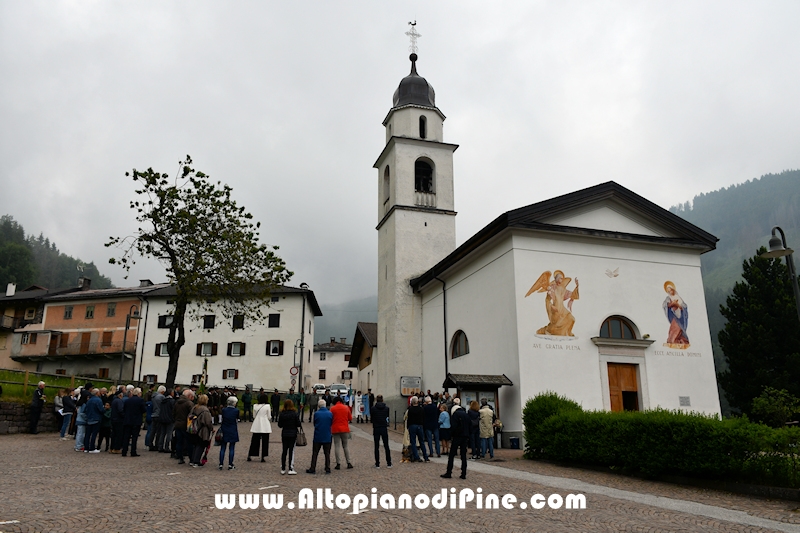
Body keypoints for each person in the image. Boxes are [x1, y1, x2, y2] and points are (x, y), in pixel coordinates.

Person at [526, 270, 580, 336]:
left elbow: (572, 295)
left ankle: (566, 332)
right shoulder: (551, 288)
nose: (562, 280)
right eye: (561, 278)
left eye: (562, 278)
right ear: (557, 278)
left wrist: (577, 286)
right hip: (555, 309)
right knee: (557, 324)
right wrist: (551, 307)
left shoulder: (562, 289)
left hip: (562, 309)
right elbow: (547, 300)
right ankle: (548, 330)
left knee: (572, 319)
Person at [441, 398, 469, 479]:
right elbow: (469, 426)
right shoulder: (466, 414)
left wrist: (451, 435)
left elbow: (453, 426)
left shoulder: (455, 415)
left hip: (457, 437)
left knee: (452, 455)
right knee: (463, 456)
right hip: (465, 437)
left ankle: (449, 472)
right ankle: (463, 473)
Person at [306, 399, 333, 475]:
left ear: (319, 406)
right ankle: (327, 468)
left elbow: (315, 423)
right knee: (327, 453)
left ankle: (313, 468)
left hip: (318, 435)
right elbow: (331, 423)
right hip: (327, 435)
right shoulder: (330, 413)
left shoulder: (316, 414)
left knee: (315, 453)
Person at [188, 394, 214, 466]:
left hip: (194, 428)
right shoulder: (205, 410)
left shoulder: (194, 408)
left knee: (195, 445)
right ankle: (196, 460)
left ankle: (192, 459)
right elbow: (208, 421)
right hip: (202, 430)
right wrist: (211, 428)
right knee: (200, 445)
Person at [278, 399, 301, 475]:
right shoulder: (294, 414)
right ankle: (290, 467)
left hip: (285, 433)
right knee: (291, 450)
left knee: (284, 450)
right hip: (293, 433)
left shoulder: (282, 414)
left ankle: (283, 468)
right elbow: (298, 424)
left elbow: (280, 425)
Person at [663, 281, 690, 347]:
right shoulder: (668, 298)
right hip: (674, 316)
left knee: (679, 330)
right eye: (668, 291)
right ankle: (672, 341)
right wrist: (671, 304)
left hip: (680, 317)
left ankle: (679, 341)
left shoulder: (679, 298)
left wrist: (678, 305)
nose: (670, 292)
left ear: (673, 290)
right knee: (673, 329)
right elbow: (665, 305)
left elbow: (684, 307)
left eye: (671, 290)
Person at [121, 388, 147, 457]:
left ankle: (124, 451)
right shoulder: (140, 400)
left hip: (128, 420)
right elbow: (143, 410)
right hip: (136, 421)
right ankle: (133, 451)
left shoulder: (127, 401)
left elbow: (124, 409)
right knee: (134, 437)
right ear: (139, 393)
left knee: (126, 437)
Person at [247, 393, 272, 462]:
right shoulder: (267, 406)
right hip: (265, 425)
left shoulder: (255, 406)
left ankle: (250, 454)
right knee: (265, 441)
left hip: (257, 424)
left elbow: (254, 416)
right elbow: (269, 416)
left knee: (254, 441)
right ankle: (263, 456)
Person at [330, 396, 353, 470]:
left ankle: (338, 463)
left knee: (337, 446)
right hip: (345, 428)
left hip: (335, 429)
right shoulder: (346, 407)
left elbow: (330, 418)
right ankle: (348, 462)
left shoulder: (332, 408)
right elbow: (350, 418)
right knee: (345, 446)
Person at [173, 389, 195, 464]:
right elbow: (192, 414)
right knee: (189, 442)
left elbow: (174, 413)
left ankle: (180, 457)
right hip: (186, 425)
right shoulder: (189, 403)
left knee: (179, 441)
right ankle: (191, 458)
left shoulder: (177, 402)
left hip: (178, 424)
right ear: (189, 396)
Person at [218, 396, 240, 470]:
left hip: (224, 428)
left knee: (223, 447)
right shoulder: (236, 411)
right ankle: (230, 464)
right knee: (232, 448)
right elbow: (237, 419)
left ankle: (221, 463)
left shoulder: (224, 410)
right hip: (232, 429)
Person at [371, 394, 392, 468]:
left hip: (376, 427)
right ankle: (389, 463)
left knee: (376, 446)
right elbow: (387, 417)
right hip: (383, 427)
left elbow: (372, 418)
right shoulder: (386, 408)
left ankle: (377, 464)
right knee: (386, 445)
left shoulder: (373, 408)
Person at [406, 396, 428, 462]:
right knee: (422, 442)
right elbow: (424, 418)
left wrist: (408, 427)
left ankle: (416, 456)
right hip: (420, 426)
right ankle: (425, 457)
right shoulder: (421, 409)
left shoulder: (410, 409)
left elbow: (408, 419)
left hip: (412, 426)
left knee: (413, 442)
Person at [84, 388, 104, 453]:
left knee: (88, 434)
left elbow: (86, 409)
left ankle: (86, 447)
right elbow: (101, 410)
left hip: (89, 418)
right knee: (94, 434)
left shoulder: (89, 400)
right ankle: (92, 448)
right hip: (96, 418)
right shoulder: (98, 400)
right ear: (97, 393)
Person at [109, 388, 125, 453]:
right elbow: (120, 410)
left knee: (113, 434)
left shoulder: (114, 400)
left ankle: (112, 448)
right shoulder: (119, 401)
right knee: (118, 435)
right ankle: (116, 448)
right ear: (120, 395)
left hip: (113, 419)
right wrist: (124, 416)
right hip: (118, 420)